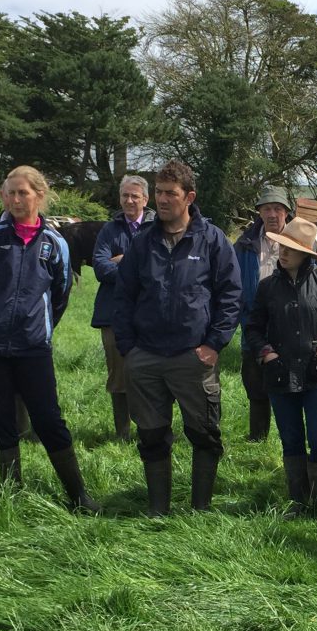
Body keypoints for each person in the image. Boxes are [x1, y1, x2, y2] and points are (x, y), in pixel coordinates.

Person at [0, 165, 100, 513]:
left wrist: (38, 326)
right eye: (9, 192)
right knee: (0, 417)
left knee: (48, 419)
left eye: (22, 192)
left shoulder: (55, 243)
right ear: (2, 196)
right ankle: (11, 495)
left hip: (32, 347)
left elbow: (60, 294)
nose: (15, 199)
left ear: (39, 195)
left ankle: (79, 496)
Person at [113, 160, 241, 516]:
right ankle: (158, 510)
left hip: (192, 356)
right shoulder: (143, 243)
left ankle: (200, 508)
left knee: (204, 434)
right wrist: (129, 349)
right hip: (146, 357)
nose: (162, 199)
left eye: (171, 193)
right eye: (159, 191)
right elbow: (123, 296)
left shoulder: (213, 240)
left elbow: (230, 295)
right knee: (152, 436)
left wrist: (214, 344)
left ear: (189, 197)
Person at [244, 217, 317, 518]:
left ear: (307, 252)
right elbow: (253, 327)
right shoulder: (266, 287)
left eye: (291, 248)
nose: (283, 252)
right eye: (282, 246)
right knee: (291, 439)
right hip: (280, 373)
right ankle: (299, 501)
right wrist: (267, 355)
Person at [235, 185, 317, 442]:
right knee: (255, 385)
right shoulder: (243, 244)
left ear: (287, 212)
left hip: (293, 328)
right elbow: (233, 285)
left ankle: (295, 438)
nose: (272, 214)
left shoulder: (304, 241)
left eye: (277, 209)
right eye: (266, 209)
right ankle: (258, 438)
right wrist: (244, 321)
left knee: (295, 384)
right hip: (256, 325)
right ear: (259, 213)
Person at [91, 175, 155, 441]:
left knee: (150, 374)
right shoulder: (109, 230)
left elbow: (158, 268)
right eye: (125, 196)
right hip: (113, 314)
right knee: (118, 374)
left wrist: (122, 261)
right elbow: (100, 268)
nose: (129, 201)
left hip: (151, 314)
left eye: (135, 196)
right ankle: (122, 433)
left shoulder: (157, 228)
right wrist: (136, 267)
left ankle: (150, 430)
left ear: (145, 200)